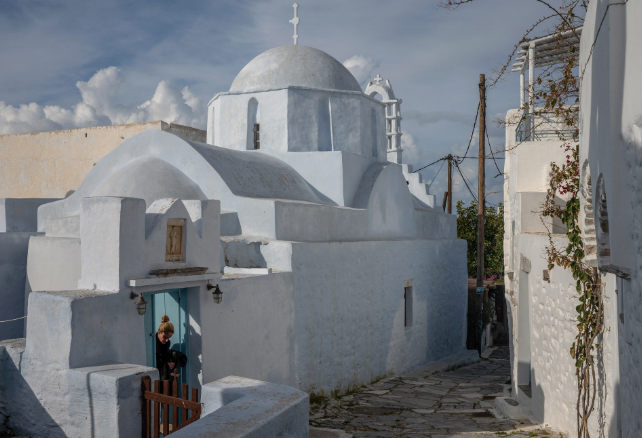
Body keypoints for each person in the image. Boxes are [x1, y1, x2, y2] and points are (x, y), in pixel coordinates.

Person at [156, 315, 187, 382]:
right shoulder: (152, 342)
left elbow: (165, 356)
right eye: (165, 337)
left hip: (164, 376)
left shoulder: (166, 343)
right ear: (159, 332)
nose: (167, 340)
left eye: (169, 338)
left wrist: (172, 361)